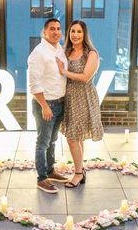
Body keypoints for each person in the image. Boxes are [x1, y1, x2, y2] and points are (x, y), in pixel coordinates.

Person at [55, 20, 104, 187]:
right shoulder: (66, 51)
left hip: (84, 97)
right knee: (76, 136)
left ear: (85, 34)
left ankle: (77, 174)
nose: (75, 35)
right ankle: (80, 169)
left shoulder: (91, 54)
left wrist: (64, 71)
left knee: (72, 138)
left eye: (79, 32)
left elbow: (85, 77)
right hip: (69, 97)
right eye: (73, 31)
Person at [28, 18, 70, 194]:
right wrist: (44, 106)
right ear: (44, 32)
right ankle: (42, 178)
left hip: (60, 102)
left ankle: (51, 170)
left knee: (52, 140)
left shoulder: (59, 49)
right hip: (46, 105)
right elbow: (34, 83)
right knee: (43, 142)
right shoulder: (39, 53)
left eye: (59, 29)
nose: (56, 32)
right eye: (52, 29)